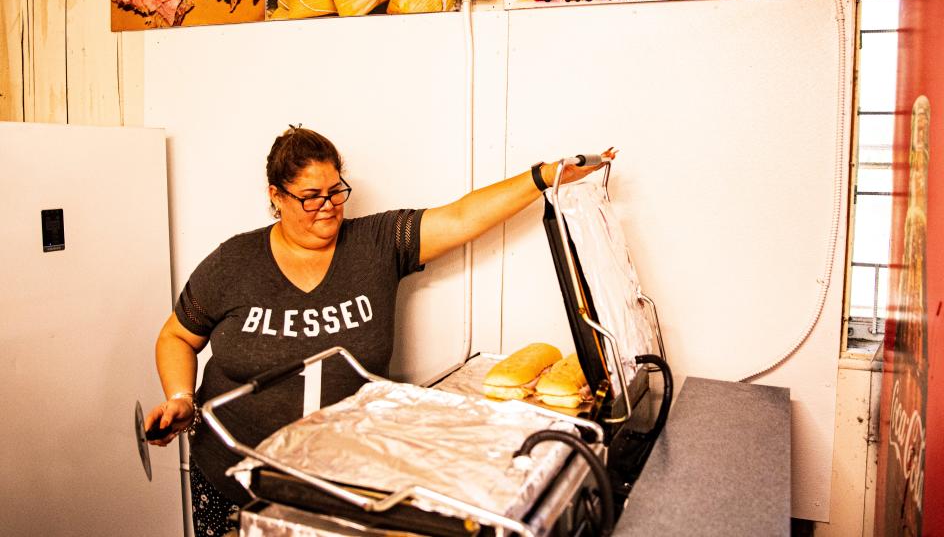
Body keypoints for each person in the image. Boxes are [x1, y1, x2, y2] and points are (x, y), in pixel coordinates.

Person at [144, 126, 613, 536]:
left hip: (342, 484)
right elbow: (177, 337)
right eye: (310, 196)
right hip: (234, 477)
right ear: (275, 196)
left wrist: (542, 176)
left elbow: (461, 217)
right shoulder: (233, 262)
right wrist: (182, 398)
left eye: (336, 191)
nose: (328, 207)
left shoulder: (376, 244)